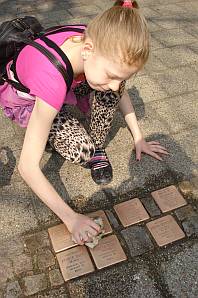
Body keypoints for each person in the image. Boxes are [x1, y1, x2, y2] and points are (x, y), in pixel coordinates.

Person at [0, 0, 168, 245]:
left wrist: (138, 137)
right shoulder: (51, 79)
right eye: (111, 75)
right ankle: (51, 135)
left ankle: (94, 141)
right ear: (87, 49)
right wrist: (71, 219)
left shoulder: (98, 41)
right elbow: (27, 167)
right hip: (29, 100)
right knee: (82, 149)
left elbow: (118, 87)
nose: (115, 84)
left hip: (66, 82)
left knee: (111, 91)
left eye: (120, 77)